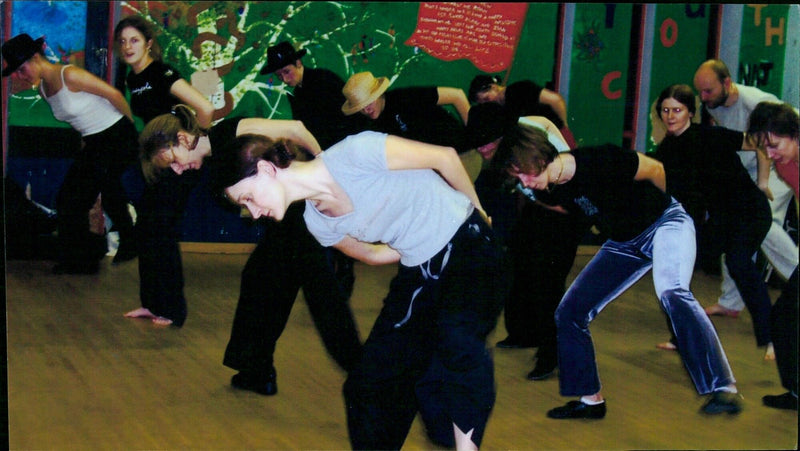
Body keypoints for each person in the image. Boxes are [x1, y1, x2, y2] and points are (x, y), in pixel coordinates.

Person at [212, 130, 510, 450]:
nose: (254, 213)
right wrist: (418, 241)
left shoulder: (356, 153)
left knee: (455, 343)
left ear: (267, 170)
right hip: (422, 271)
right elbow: (373, 254)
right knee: (367, 384)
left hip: (471, 245)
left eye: (248, 199)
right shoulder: (318, 222)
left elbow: (446, 157)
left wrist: (478, 212)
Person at [494, 121, 742, 419]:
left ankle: (723, 387)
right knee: (569, 312)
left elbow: (654, 170)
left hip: (666, 222)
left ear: (538, 155)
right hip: (625, 243)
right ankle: (590, 400)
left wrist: (667, 210)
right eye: (516, 176)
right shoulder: (550, 191)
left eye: (524, 171)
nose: (524, 181)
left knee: (672, 292)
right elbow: (574, 212)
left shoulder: (598, 160)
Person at [136, 106, 363, 395]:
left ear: (182, 139)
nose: (179, 170)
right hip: (287, 220)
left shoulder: (230, 132)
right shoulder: (213, 162)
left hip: (301, 210)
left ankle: (363, 372)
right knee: (261, 280)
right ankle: (256, 370)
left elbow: (295, 128)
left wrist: (325, 172)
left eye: (175, 162)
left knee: (321, 294)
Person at [465, 103, 589, 381]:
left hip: (564, 210)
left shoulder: (531, 138)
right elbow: (486, 195)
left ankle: (552, 354)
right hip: (537, 209)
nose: (481, 150)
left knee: (549, 282)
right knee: (518, 265)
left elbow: (567, 183)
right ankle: (523, 332)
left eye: (486, 144)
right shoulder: (499, 155)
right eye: (478, 144)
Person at [650, 84, 773, 358]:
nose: (671, 116)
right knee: (680, 268)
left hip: (750, 210)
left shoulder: (710, 136)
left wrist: (763, 183)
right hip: (722, 218)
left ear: (690, 113)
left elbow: (761, 143)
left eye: (677, 110)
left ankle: (772, 336)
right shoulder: (668, 149)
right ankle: (682, 336)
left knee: (738, 262)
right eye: (666, 110)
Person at [2, 33, 139, 274]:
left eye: (21, 69)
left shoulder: (70, 75)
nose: (20, 76)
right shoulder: (44, 89)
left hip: (118, 134)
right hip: (95, 142)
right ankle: (83, 257)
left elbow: (114, 95)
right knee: (68, 200)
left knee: (106, 186)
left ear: (36, 58)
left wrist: (131, 131)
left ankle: (129, 240)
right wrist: (86, 145)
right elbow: (80, 120)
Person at [112, 15, 216, 325]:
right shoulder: (132, 78)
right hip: (159, 163)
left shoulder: (161, 72)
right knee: (147, 228)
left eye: (134, 40)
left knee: (162, 231)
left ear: (148, 43)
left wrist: (195, 143)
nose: (128, 46)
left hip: (180, 163)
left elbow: (205, 108)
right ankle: (152, 304)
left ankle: (173, 310)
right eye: (123, 41)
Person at [693, 59, 798, 322]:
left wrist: (763, 183)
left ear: (726, 83)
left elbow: (784, 131)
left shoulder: (756, 103)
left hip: (776, 163)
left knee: (764, 225)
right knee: (739, 226)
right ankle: (731, 301)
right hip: (761, 164)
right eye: (700, 92)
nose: (704, 98)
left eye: (709, 91)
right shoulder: (717, 105)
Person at [261, 40, 366, 296]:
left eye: (286, 71)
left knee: (339, 213)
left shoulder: (324, 81)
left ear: (299, 63)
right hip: (321, 160)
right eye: (279, 75)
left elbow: (347, 120)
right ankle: (331, 274)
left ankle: (344, 272)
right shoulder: (298, 91)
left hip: (341, 158)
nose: (284, 79)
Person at [747, 101, 799, 411]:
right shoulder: (783, 160)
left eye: (775, 145)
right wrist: (764, 181)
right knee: (783, 317)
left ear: (794, 134)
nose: (771, 154)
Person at [341, 71, 470, 152]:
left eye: (369, 102)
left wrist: (474, 136)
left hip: (459, 151)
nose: (366, 110)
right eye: (360, 108)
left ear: (379, 94)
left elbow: (457, 95)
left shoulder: (405, 97)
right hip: (430, 164)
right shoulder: (370, 124)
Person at [468, 74, 576, 149]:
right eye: (482, 102)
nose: (487, 103)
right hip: (540, 141)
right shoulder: (500, 109)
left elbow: (556, 100)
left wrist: (564, 126)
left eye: (486, 98)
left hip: (556, 134)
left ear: (493, 87)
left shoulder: (520, 88)